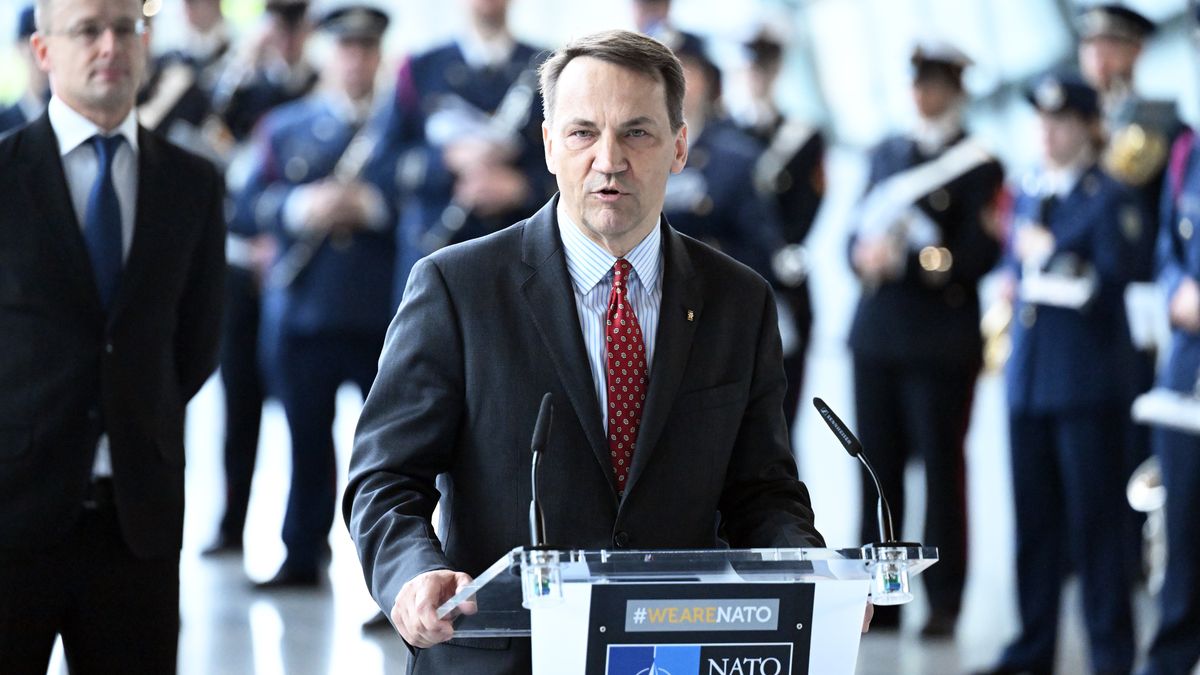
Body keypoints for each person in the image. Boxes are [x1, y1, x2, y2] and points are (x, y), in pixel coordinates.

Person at [344, 29, 825, 673]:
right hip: (504, 654)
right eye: (581, 133)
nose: (609, 159)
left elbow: (762, 489)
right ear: (546, 144)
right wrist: (413, 574)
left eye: (637, 133)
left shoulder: (739, 301)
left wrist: (810, 570)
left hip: (675, 652)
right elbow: (386, 478)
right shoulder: (457, 288)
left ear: (679, 146)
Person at [0, 0, 226, 670]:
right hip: (14, 513)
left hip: (138, 520)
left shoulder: (192, 183)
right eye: (88, 30)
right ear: (44, 52)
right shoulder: (4, 176)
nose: (110, 46)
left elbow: (196, 342)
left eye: (125, 29)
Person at [979, 72, 1145, 675]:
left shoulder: (1109, 196)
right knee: (1035, 525)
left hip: (1086, 383)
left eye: (1062, 122)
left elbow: (1115, 276)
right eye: (1042, 122)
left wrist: (1046, 252)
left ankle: (1109, 651)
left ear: (1088, 127)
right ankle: (1032, 647)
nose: (1047, 133)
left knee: (1097, 526)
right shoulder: (1028, 188)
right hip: (1029, 380)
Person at [234, 3, 397, 588]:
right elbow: (248, 203)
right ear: (328, 53)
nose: (355, 59)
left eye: (366, 49)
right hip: (306, 312)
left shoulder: (400, 126)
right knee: (305, 441)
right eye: (345, 48)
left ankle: (398, 578)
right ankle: (301, 555)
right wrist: (302, 206)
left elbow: (429, 197)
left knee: (394, 457)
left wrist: (368, 207)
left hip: (384, 313)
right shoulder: (284, 126)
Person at [847, 41, 1004, 637]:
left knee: (942, 472)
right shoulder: (888, 152)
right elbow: (852, 236)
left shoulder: (977, 163)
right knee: (877, 474)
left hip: (940, 338)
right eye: (918, 83)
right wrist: (864, 256)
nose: (923, 95)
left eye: (935, 84)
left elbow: (980, 252)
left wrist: (911, 264)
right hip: (879, 335)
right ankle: (881, 599)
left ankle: (944, 597)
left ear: (954, 91)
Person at [201, 0, 318, 559]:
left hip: (299, 269)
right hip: (240, 258)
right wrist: (245, 59)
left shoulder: (321, 84)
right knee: (238, 401)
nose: (287, 34)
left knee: (304, 411)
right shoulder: (245, 85)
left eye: (296, 23)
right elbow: (211, 128)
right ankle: (231, 523)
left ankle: (305, 535)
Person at [376, 0, 554, 299]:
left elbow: (575, 156)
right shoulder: (420, 68)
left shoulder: (548, 65)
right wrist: (447, 160)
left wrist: (523, 187)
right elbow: (383, 166)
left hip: (523, 257)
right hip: (435, 253)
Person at [1138, 41, 1200, 674]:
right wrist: (1175, 284)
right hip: (1187, 367)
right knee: (1182, 530)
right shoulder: (1188, 151)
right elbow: (1165, 246)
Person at [737, 29, 826, 432]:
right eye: (753, 64)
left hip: (780, 290)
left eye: (765, 65)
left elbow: (804, 215)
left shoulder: (803, 140)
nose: (758, 74)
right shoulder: (724, 135)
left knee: (781, 428)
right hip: (730, 281)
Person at [0, 4, 50, 134]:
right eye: (33, 46)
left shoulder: (67, 114)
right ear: (19, 47)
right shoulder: (3, 122)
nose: (42, 54)